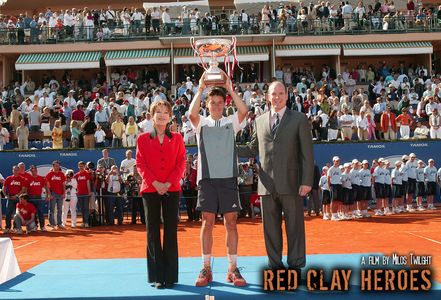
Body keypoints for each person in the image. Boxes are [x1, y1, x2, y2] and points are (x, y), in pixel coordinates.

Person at [237, 80, 313, 275]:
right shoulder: (260, 120)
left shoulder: (299, 119)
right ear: (267, 97)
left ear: (287, 96)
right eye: (273, 94)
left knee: (294, 227)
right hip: (266, 185)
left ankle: (296, 264)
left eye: (281, 93)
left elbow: (307, 153)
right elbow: (252, 148)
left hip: (292, 183)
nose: (277, 97)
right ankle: (275, 264)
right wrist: (227, 144)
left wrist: (306, 181)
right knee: (270, 229)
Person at [189, 71, 248, 287]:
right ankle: (206, 267)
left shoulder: (231, 122)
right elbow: (190, 114)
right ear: (207, 103)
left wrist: (231, 89)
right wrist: (201, 88)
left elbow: (244, 110)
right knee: (207, 222)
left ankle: (232, 269)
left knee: (231, 223)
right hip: (207, 180)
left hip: (228, 179)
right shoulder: (201, 123)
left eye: (219, 102)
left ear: (224, 104)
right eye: (212, 102)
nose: (216, 106)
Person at [136, 99, 186, 289]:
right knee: (153, 233)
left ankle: (171, 276)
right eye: (159, 112)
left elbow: (181, 162)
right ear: (152, 115)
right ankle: (157, 276)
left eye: (166, 112)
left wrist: (168, 183)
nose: (162, 115)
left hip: (171, 189)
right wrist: (156, 183)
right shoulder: (142, 138)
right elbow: (140, 164)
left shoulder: (178, 138)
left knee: (171, 232)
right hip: (150, 189)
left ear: (170, 116)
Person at [3, 166, 28, 234]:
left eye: (17, 170)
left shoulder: (22, 179)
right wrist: (6, 195)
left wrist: (16, 196)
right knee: (8, 213)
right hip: (10, 199)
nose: (16, 171)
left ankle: (16, 228)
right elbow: (4, 188)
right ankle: (8, 228)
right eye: (14, 170)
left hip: (18, 199)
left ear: (19, 171)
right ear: (12, 171)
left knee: (17, 214)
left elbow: (23, 189)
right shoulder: (9, 178)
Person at [45, 160, 66, 228]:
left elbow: (63, 184)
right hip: (53, 193)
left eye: (58, 166)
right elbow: (47, 185)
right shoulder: (49, 174)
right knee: (52, 209)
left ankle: (59, 223)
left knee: (59, 209)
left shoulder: (62, 174)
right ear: (53, 166)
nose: (57, 167)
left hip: (60, 194)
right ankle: (52, 223)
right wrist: (49, 194)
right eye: (56, 166)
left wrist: (64, 193)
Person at [27, 165, 47, 231]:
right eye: (33, 170)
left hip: (38, 197)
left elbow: (45, 187)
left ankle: (42, 226)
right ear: (31, 171)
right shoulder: (28, 179)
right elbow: (26, 189)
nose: (34, 171)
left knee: (40, 212)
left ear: (37, 171)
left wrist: (48, 194)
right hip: (30, 198)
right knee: (32, 213)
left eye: (35, 170)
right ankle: (34, 226)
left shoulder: (41, 178)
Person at [74, 161, 91, 228]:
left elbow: (88, 183)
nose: (81, 167)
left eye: (82, 166)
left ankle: (86, 222)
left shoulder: (86, 174)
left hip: (86, 193)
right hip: (79, 194)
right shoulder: (76, 175)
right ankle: (83, 221)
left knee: (86, 208)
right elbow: (74, 184)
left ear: (84, 166)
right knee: (82, 208)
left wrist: (89, 191)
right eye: (80, 166)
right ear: (78, 166)